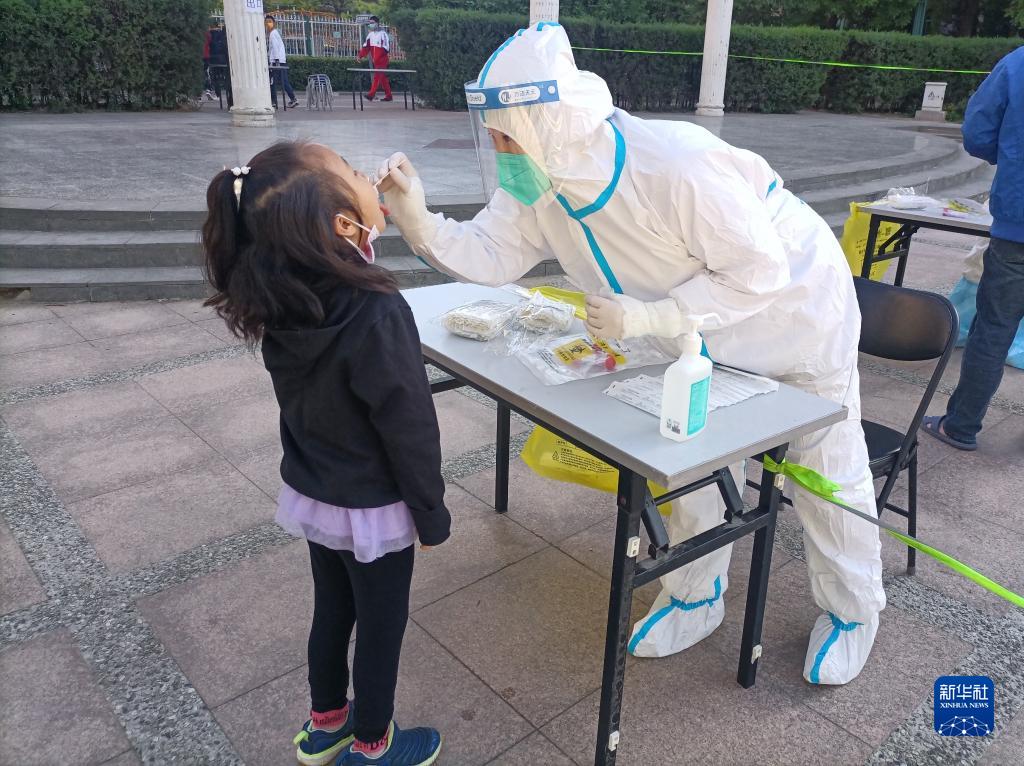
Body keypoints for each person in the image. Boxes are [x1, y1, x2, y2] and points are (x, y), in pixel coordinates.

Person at [379, 24, 885, 685]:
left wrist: (651, 317)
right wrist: (418, 221)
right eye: (495, 138)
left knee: (825, 466)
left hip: (797, 315)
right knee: (690, 459)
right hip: (694, 335)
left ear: (550, 125)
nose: (500, 154)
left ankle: (854, 609)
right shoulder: (544, 182)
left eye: (506, 138)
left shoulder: (674, 164)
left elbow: (758, 270)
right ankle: (694, 592)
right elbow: (493, 254)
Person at [202, 140, 447, 766]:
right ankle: (372, 746)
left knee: (333, 611)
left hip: (316, 494)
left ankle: (326, 726)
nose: (367, 176)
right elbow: (409, 427)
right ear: (342, 225)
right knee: (381, 627)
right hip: (375, 506)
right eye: (354, 172)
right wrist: (430, 514)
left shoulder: (283, 297)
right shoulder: (377, 308)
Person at [923, 46, 1024, 451]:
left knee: (993, 330)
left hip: (1017, 225)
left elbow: (978, 135)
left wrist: (1014, 153)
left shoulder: (1016, 64)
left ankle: (961, 425)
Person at [265, 14, 298, 108]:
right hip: (281, 61)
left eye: (270, 22)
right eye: (266, 22)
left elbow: (275, 48)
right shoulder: (275, 33)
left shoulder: (273, 34)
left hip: (276, 62)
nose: (268, 24)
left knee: (272, 82)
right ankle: (293, 99)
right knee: (284, 81)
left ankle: (274, 102)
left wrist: (276, 60)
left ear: (274, 23)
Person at [358, 16, 392, 102]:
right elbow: (366, 47)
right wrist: (360, 56)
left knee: (377, 77)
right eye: (370, 23)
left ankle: (371, 95)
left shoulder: (383, 34)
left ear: (377, 23)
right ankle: (389, 96)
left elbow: (386, 48)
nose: (370, 24)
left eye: (372, 22)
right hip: (376, 61)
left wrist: (378, 57)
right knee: (383, 79)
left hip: (382, 60)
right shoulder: (370, 35)